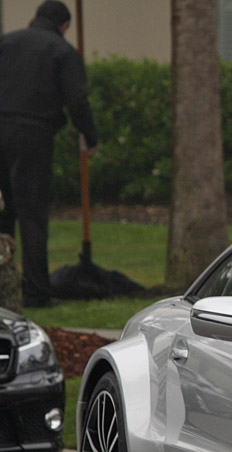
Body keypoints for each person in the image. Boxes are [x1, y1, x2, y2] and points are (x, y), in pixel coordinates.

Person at [0, 0, 97, 307]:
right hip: (33, 135)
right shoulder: (63, 52)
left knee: (3, 213)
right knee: (32, 214)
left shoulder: (6, 42)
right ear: (64, 26)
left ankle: (4, 288)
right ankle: (36, 293)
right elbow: (77, 101)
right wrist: (89, 136)